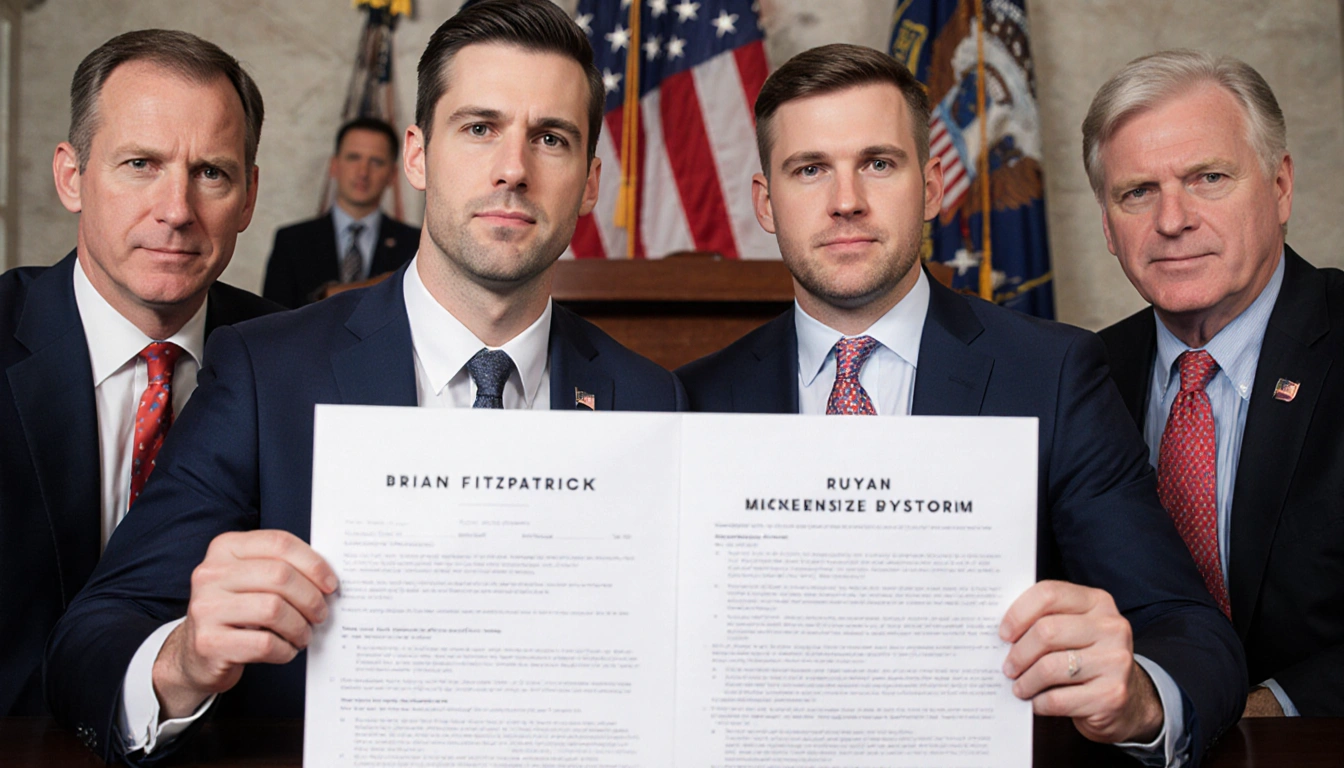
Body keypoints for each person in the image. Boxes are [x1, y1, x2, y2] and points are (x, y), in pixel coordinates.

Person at [45, 0, 684, 761]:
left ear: (588, 182)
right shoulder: (264, 371)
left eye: (551, 138)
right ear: (416, 155)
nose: (513, 168)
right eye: (479, 128)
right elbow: (90, 638)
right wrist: (182, 659)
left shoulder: (651, 399)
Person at [677, 44, 1244, 765]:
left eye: (878, 163)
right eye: (809, 169)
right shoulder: (695, 401)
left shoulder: (1054, 374)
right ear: (765, 202)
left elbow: (1187, 629)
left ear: (934, 185)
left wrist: (1137, 695)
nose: (845, 199)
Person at [0, 29, 277, 718]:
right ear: (72, 176)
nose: (176, 210)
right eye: (140, 164)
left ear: (247, 196)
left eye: (210, 172)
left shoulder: (297, 359)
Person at [1088, 50, 1344, 718]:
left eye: (1208, 177)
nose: (1172, 220)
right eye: (1137, 192)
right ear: (1107, 224)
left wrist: (1261, 709)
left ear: (1281, 186)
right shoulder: (1081, 377)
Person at [262, 117, 418, 308]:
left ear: (392, 175)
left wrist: (330, 295)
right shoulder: (292, 241)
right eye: (353, 157)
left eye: (376, 162)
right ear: (334, 165)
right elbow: (272, 321)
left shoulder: (416, 244)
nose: (363, 172)